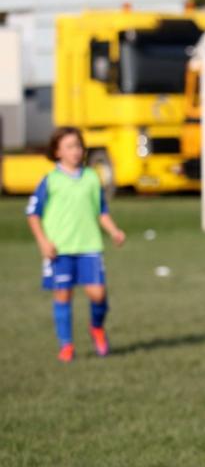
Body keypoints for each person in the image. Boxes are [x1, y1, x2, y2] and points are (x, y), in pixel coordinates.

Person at [26, 126, 126, 362]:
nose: (75, 151)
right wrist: (43, 242)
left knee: (98, 294)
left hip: (89, 245)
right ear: (57, 151)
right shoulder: (50, 180)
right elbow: (33, 213)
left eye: (78, 146)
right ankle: (66, 346)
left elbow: (100, 211)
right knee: (63, 295)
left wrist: (114, 231)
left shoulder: (91, 177)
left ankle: (97, 328)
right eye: (69, 146)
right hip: (59, 249)